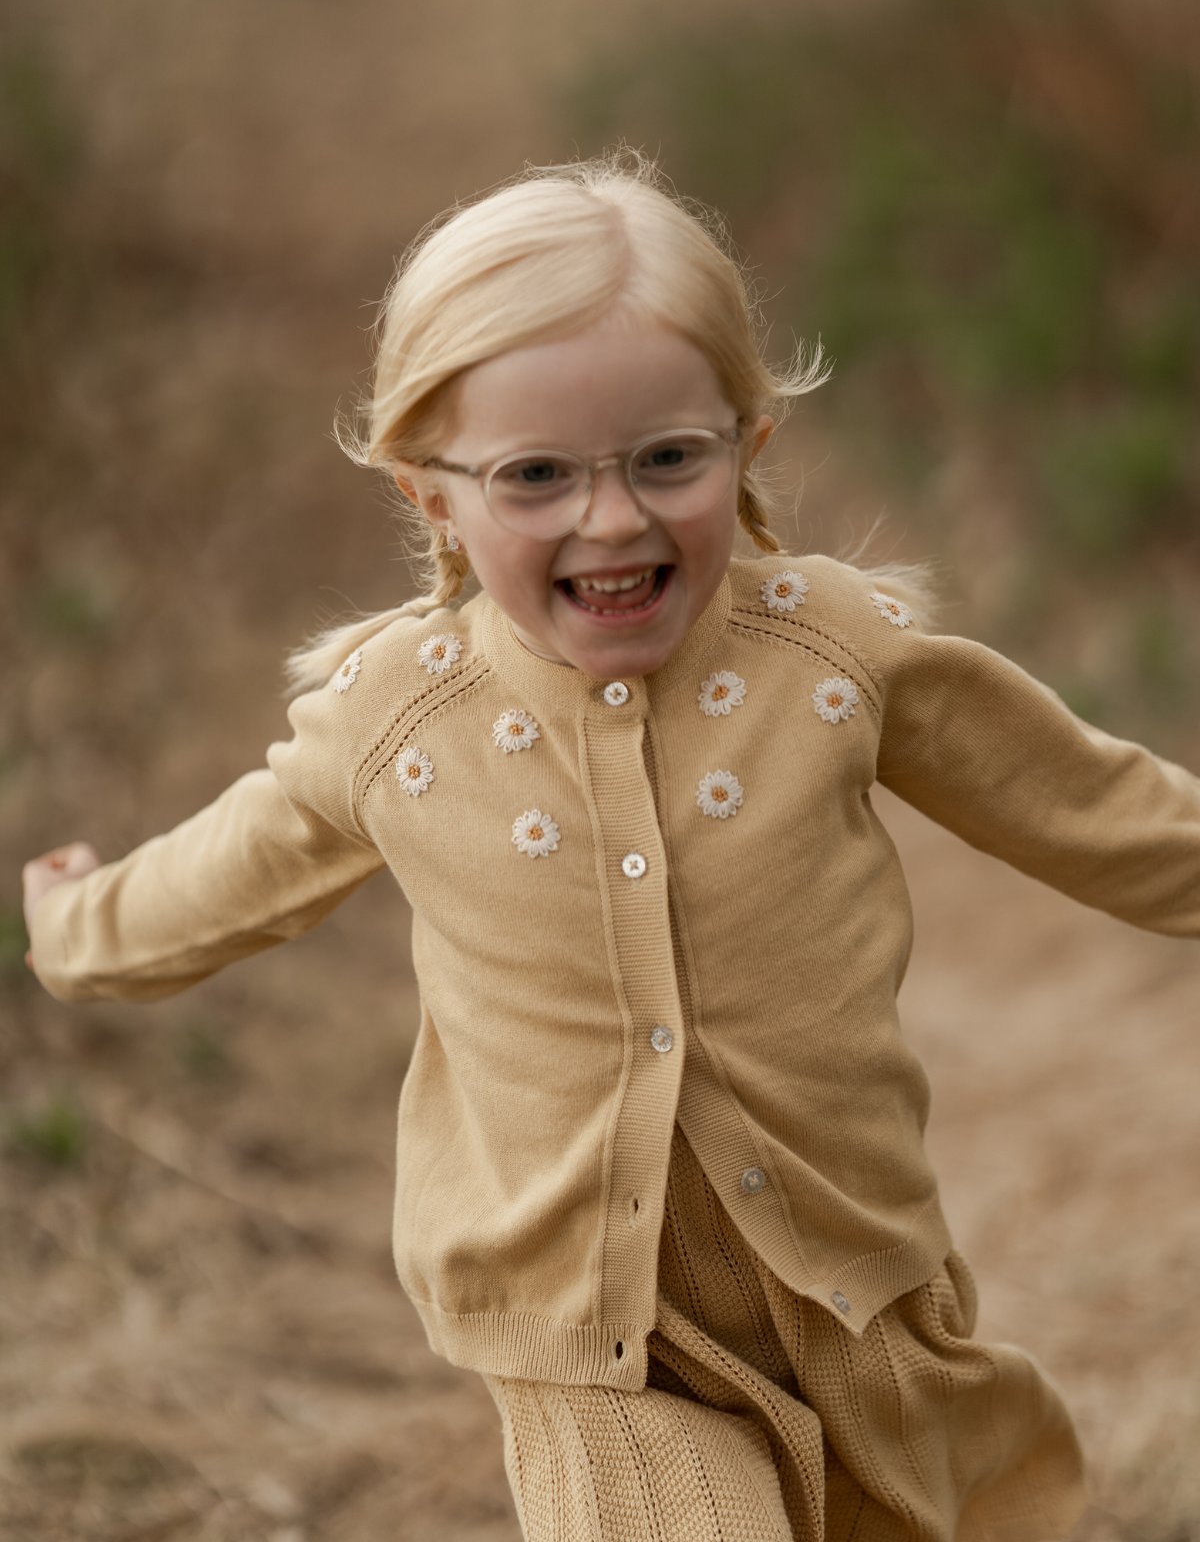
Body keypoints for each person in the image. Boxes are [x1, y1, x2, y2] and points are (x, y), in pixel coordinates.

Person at [23, 154, 1200, 1542]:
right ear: (431, 497)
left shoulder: (829, 658)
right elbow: (224, 877)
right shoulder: (402, 722)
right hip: (586, 1336)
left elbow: (1093, 805)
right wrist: (73, 924)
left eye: (666, 459)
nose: (614, 517)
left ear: (747, 444)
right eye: (536, 476)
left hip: (851, 1282)